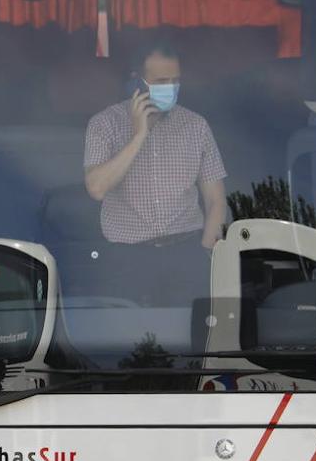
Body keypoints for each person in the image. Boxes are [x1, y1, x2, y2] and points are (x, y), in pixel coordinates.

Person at [83, 37, 227, 306]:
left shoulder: (196, 126)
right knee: (128, 342)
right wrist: (139, 135)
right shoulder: (104, 124)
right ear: (137, 81)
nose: (170, 88)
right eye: (161, 82)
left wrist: (206, 251)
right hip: (126, 259)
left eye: (175, 81)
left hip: (186, 253)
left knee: (193, 339)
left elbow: (216, 199)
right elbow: (96, 188)